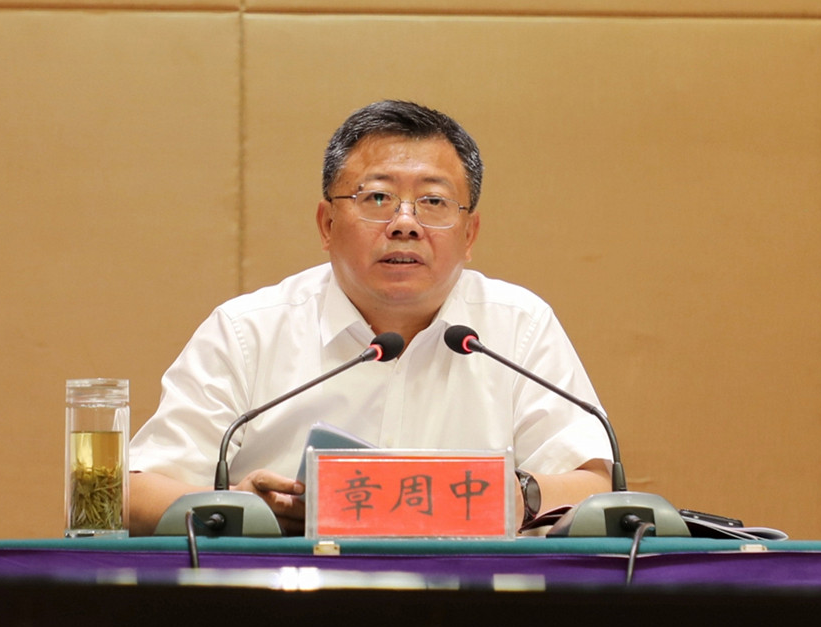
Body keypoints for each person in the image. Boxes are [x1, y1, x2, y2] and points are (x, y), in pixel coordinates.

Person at [129, 99, 612, 536]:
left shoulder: (519, 327)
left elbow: (595, 484)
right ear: (327, 224)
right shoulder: (248, 331)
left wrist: (520, 496)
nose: (405, 224)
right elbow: (136, 491)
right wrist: (238, 509)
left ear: (469, 234)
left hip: (469, 595)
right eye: (377, 198)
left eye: (433, 202)